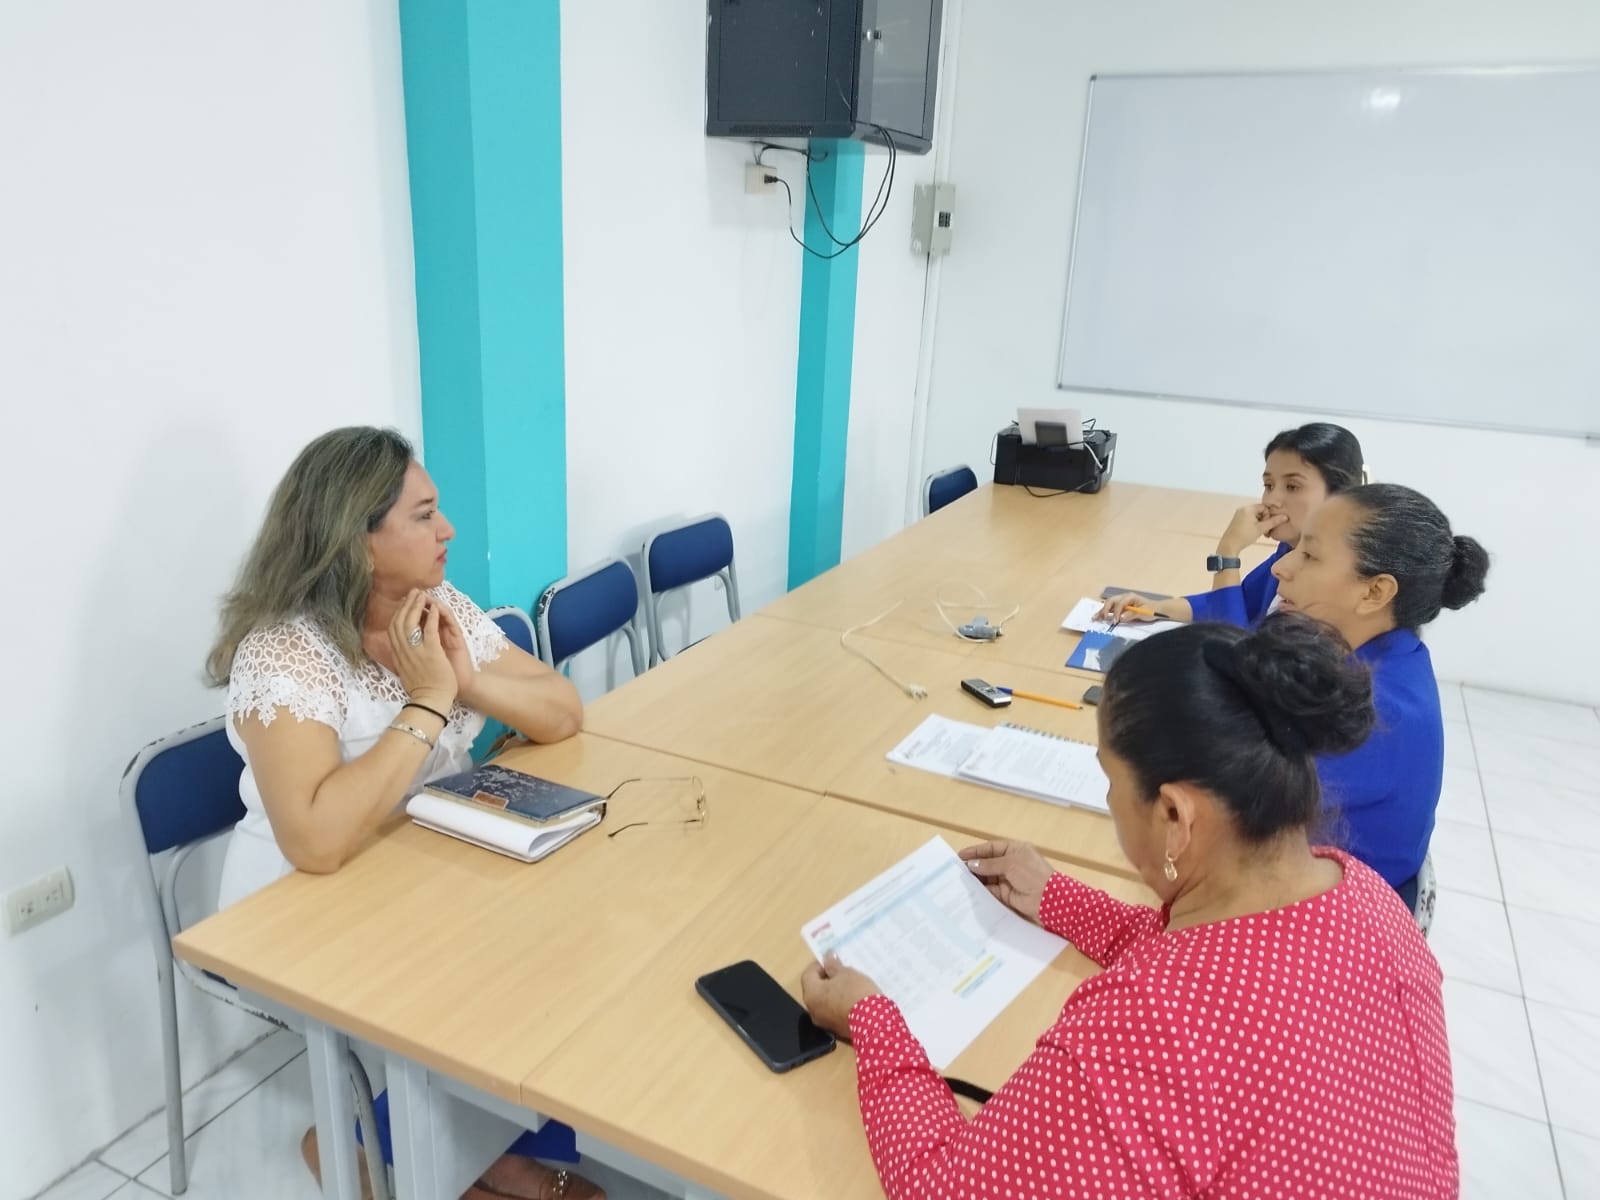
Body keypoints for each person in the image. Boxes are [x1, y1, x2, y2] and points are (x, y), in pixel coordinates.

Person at [801, 615, 1458, 1199]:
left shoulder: (1148, 1025)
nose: (1110, 802)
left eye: (1110, 781)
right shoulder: (1364, 895)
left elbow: (942, 1188)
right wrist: (1059, 899)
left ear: (1174, 816)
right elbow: (1216, 958)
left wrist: (871, 1020)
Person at [207, 426, 597, 1200]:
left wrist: (465, 681)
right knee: (476, 971)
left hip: (419, 852)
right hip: (297, 901)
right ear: (357, 539)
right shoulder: (285, 653)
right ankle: (355, 1141)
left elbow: (563, 709)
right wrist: (426, 703)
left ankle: (481, 1149)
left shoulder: (435, 607)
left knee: (555, 937)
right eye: (423, 516)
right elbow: (315, 840)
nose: (447, 530)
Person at [1271, 482, 1489, 904]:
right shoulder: (1387, 652)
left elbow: (1234, 803)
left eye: (1310, 555)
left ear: (1374, 592)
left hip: (1341, 919)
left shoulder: (1378, 711)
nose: (1282, 568)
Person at [1100, 421, 1364, 627]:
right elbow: (1239, 601)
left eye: (1292, 487)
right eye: (1268, 485)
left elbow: (1234, 649)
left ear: (1340, 495)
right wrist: (1156, 608)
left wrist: (1228, 553)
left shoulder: (1331, 579)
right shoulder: (1289, 549)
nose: (1271, 500)